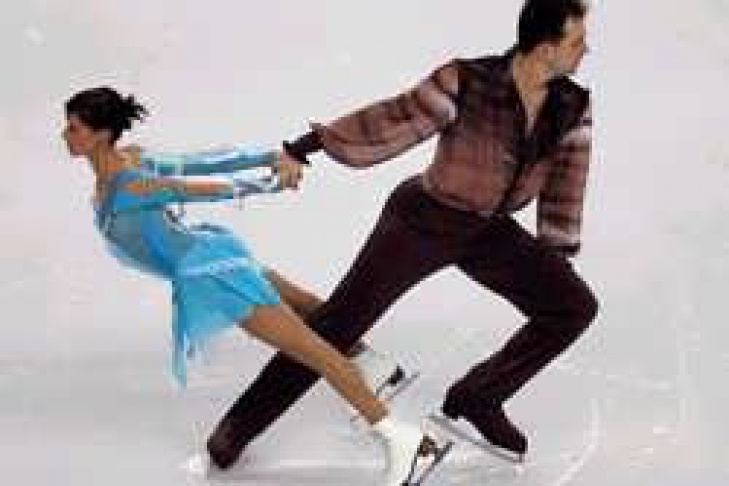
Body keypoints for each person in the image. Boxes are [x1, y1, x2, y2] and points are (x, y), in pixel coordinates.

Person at [207, 0, 598, 467]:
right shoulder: (467, 80)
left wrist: (554, 257)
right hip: (423, 220)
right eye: (577, 42)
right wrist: (308, 145)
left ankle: (478, 397)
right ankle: (237, 427)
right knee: (339, 324)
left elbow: (568, 180)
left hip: (488, 229)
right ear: (546, 48)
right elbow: (393, 118)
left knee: (572, 306)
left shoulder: (572, 105)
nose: (585, 50)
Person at [62, 86, 450, 485]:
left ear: (102, 134)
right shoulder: (126, 166)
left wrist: (273, 174)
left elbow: (203, 183)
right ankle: (372, 363)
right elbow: (206, 163)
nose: (65, 135)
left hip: (214, 276)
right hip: (208, 256)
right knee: (302, 307)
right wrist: (270, 160)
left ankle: (403, 441)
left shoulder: (130, 180)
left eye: (74, 128)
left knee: (313, 351)